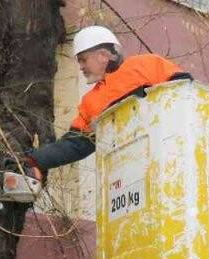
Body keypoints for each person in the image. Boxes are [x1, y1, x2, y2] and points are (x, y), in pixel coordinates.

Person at [19, 26, 191, 177]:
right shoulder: (90, 102)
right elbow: (74, 144)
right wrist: (35, 160)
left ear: (102, 55)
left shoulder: (146, 65)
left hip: (170, 155)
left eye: (83, 60)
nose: (81, 67)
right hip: (128, 170)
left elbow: (185, 91)